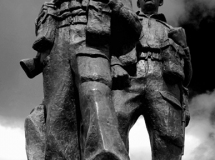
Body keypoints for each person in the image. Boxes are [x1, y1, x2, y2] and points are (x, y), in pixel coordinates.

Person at [20, 0, 142, 159]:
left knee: (95, 96)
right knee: (58, 111)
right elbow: (42, 28)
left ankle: (106, 155)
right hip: (56, 46)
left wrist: (115, 5)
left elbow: (134, 27)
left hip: (92, 42)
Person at [111, 0, 192, 159]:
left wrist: (185, 47)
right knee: (113, 123)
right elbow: (107, 46)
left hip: (163, 83)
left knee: (169, 136)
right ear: (138, 1)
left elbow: (186, 78)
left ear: (161, 1)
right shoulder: (125, 21)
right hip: (128, 78)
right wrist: (114, 63)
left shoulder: (173, 31)